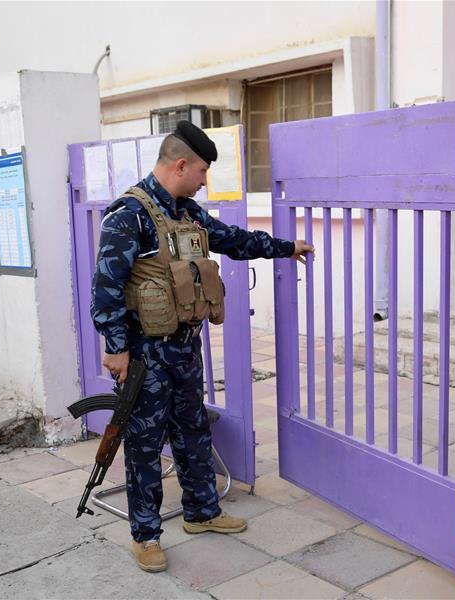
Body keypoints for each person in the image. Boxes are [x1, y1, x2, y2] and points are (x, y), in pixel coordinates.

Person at [91, 120, 313, 572]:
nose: (205, 181)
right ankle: (146, 535)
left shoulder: (188, 213)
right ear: (180, 164)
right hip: (145, 353)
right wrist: (116, 347)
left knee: (192, 431)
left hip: (186, 347)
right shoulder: (128, 216)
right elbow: (106, 287)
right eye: (202, 172)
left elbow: (233, 240)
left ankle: (202, 512)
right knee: (145, 443)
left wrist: (285, 247)